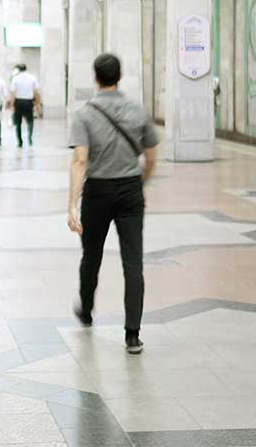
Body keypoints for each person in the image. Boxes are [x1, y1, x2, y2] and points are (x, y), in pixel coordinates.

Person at [67, 53, 158, 354]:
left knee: (91, 255)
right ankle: (133, 334)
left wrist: (72, 205)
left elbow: (80, 160)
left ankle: (86, 310)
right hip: (131, 190)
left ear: (96, 77)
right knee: (133, 263)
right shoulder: (137, 111)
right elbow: (151, 157)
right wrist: (139, 183)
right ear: (119, 76)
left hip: (97, 192)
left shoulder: (84, 114)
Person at [9, 63, 41, 147]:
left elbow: (12, 93)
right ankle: (29, 136)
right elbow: (36, 92)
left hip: (18, 102)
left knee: (18, 122)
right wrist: (38, 103)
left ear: (18, 69)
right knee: (30, 120)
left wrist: (11, 105)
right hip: (28, 102)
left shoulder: (15, 78)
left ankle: (20, 142)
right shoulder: (32, 77)